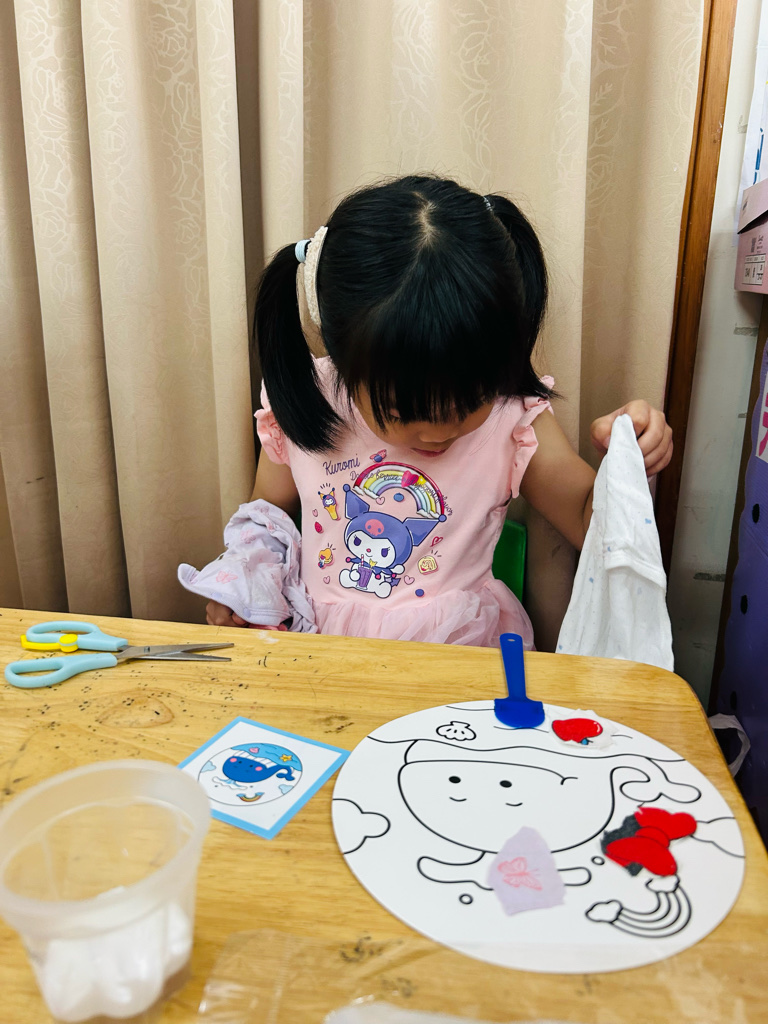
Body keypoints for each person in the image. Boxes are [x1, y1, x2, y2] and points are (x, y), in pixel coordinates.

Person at [202, 175, 672, 648]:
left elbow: (592, 525)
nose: (439, 431)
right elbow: (267, 516)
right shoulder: (310, 398)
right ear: (343, 357)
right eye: (401, 410)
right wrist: (242, 584)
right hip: (324, 651)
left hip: (460, 653)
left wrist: (628, 459)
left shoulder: (513, 420)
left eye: (470, 401)